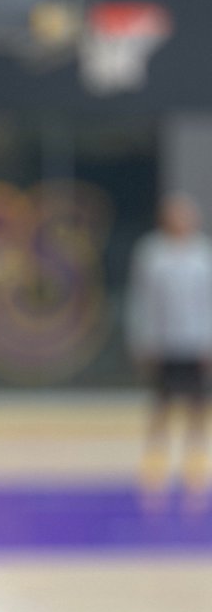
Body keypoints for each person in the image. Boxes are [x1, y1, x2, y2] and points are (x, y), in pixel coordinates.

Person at [127, 192, 212, 514]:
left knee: (197, 403)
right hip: (164, 342)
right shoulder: (152, 254)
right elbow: (143, 300)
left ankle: (198, 454)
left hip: (195, 340)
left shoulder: (203, 254)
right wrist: (143, 339)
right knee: (161, 402)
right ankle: (156, 456)